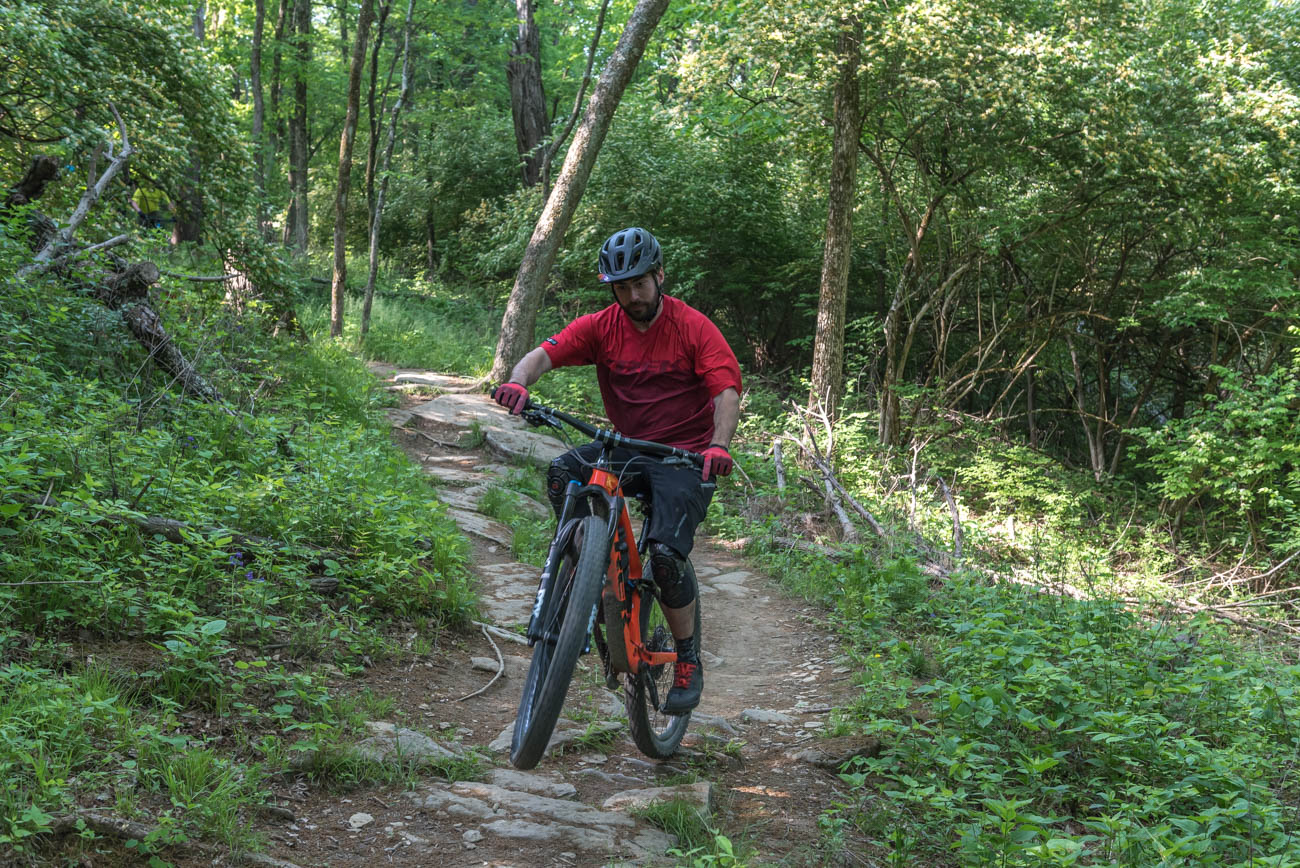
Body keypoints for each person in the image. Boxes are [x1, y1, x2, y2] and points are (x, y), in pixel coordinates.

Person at [494, 227, 741, 714]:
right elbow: (543, 355)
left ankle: (688, 657)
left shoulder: (693, 328)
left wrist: (718, 445)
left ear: (659, 277)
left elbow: (726, 392)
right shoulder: (602, 326)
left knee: (667, 556)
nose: (632, 296)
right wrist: (518, 382)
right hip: (625, 446)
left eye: (640, 284)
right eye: (621, 287)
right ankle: (590, 568)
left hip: (684, 457)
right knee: (564, 473)